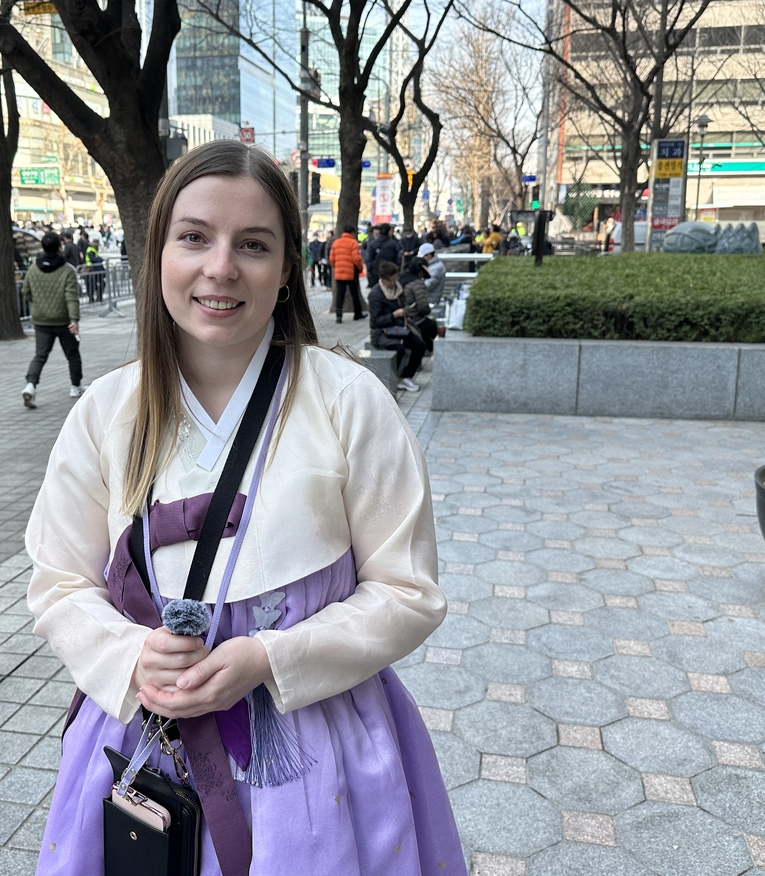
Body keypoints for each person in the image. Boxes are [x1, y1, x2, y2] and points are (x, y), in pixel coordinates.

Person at [25, 139, 465, 876]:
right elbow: (59, 583)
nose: (220, 268)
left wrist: (270, 656)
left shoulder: (348, 402)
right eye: (194, 237)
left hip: (314, 752)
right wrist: (133, 655)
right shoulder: (105, 413)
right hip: (147, 743)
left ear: (288, 267)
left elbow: (407, 591)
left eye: (253, 245)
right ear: (157, 250)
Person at [22, 233, 85, 407]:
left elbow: (26, 291)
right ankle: (75, 385)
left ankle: (30, 385)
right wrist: (74, 319)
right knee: (72, 353)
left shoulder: (34, 269)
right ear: (60, 248)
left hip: (41, 320)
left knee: (40, 355)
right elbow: (71, 297)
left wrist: (38, 303)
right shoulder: (66, 271)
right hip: (63, 320)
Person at [368, 260, 428, 393]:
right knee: (399, 349)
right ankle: (393, 379)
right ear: (383, 280)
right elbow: (375, 321)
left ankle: (406, 376)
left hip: (399, 328)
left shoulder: (398, 289)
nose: (395, 282)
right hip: (382, 332)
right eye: (392, 280)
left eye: (396, 278)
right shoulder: (376, 294)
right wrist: (393, 315)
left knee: (420, 345)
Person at [399, 258, 438, 354]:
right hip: (414, 318)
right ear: (420, 272)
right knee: (432, 326)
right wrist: (428, 310)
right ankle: (431, 350)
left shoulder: (402, 278)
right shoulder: (417, 283)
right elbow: (423, 307)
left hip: (403, 316)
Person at [328, 226, 366, 323]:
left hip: (339, 274)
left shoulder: (336, 243)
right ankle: (357, 314)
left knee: (340, 295)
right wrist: (360, 268)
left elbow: (331, 259)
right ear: (352, 233)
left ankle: (339, 316)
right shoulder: (353, 243)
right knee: (354, 294)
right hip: (351, 274)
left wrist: (337, 266)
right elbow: (356, 259)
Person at [419, 242, 446, 307]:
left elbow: (428, 284)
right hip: (428, 298)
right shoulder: (432, 265)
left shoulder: (436, 268)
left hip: (431, 300)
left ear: (429, 255)